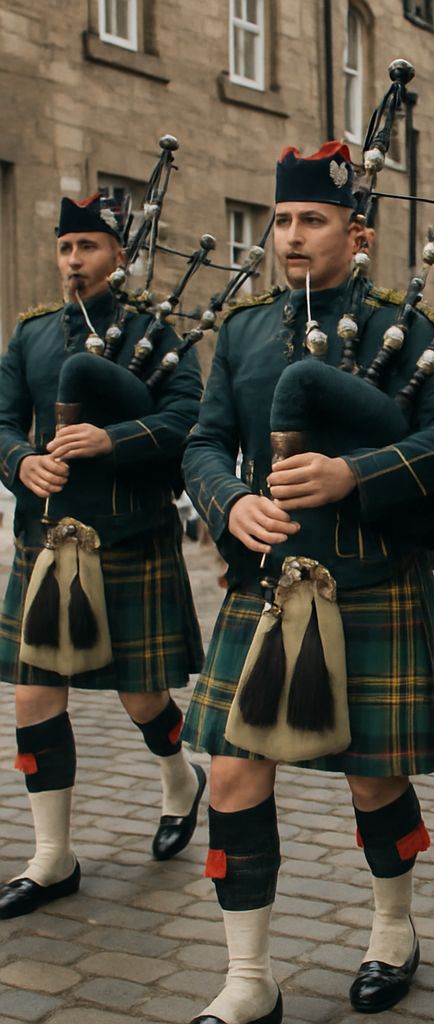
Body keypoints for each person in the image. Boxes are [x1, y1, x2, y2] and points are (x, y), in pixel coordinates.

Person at [180, 141, 434, 1022]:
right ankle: (249, 979)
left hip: (371, 578)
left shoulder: (406, 326)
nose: (290, 236)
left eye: (311, 220)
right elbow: (203, 441)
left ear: (359, 233)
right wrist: (229, 500)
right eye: (281, 220)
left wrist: (357, 474)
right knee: (232, 776)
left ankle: (393, 930)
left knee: (373, 780)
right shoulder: (244, 330)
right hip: (266, 585)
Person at [0, 193, 205, 919]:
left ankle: (180, 778)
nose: (74, 261)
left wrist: (111, 440)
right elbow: (1, 422)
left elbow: (189, 421)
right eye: (65, 247)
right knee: (33, 694)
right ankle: (52, 857)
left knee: (141, 695)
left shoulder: (158, 334)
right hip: (47, 539)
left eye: (87, 246)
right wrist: (21, 460)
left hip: (128, 537)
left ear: (120, 254)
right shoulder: (30, 335)